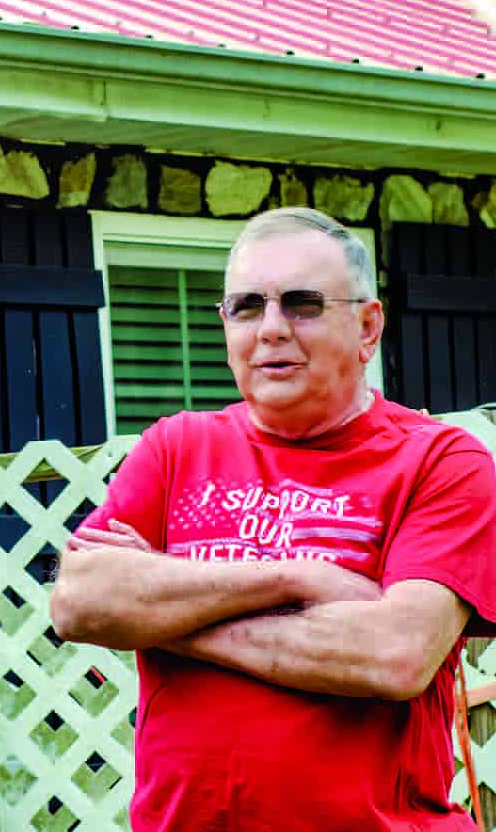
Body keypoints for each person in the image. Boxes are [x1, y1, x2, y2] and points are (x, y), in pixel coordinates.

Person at [50, 206, 496, 830]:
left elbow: (393, 654)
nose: (271, 329)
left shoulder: (441, 461)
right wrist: (297, 579)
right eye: (247, 306)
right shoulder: (175, 446)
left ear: (369, 328)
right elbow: (79, 603)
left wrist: (159, 612)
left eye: (303, 303)